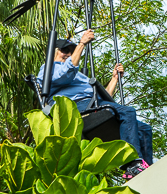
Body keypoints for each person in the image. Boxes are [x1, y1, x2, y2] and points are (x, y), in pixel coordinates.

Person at [37, 30, 153, 177]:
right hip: (75, 108)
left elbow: (103, 97)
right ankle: (131, 163)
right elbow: (66, 73)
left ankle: (145, 167)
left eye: (71, 51)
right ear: (55, 51)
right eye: (64, 50)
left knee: (144, 129)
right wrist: (81, 44)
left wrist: (114, 79)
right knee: (127, 111)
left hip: (91, 106)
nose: (68, 53)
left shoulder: (79, 76)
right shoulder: (49, 69)